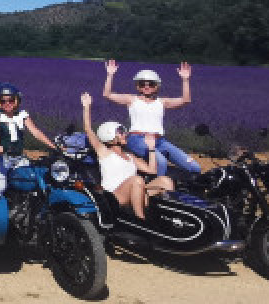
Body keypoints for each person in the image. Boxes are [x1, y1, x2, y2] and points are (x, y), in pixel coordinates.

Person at [80, 92, 172, 220]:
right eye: (121, 132)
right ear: (109, 135)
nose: (125, 134)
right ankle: (140, 220)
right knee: (137, 180)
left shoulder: (130, 157)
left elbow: (152, 170)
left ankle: (168, 219)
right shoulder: (104, 152)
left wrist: (151, 148)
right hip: (114, 197)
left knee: (165, 181)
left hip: (136, 190)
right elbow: (88, 129)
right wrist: (87, 107)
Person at [102, 59, 201, 177]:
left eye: (151, 84)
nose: (147, 86)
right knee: (161, 162)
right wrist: (110, 75)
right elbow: (107, 94)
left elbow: (186, 100)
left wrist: (185, 79)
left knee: (194, 167)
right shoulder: (131, 99)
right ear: (138, 86)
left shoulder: (162, 102)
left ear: (157, 86)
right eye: (142, 84)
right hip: (137, 139)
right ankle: (158, 191)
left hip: (160, 140)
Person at [0, 85, 53, 195]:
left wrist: (53, 146)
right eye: (3, 101)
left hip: (18, 158)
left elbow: (36, 132)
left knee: (34, 180)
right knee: (0, 187)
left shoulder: (22, 115)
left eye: (11, 100)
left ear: (17, 101)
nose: (7, 104)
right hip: (0, 159)